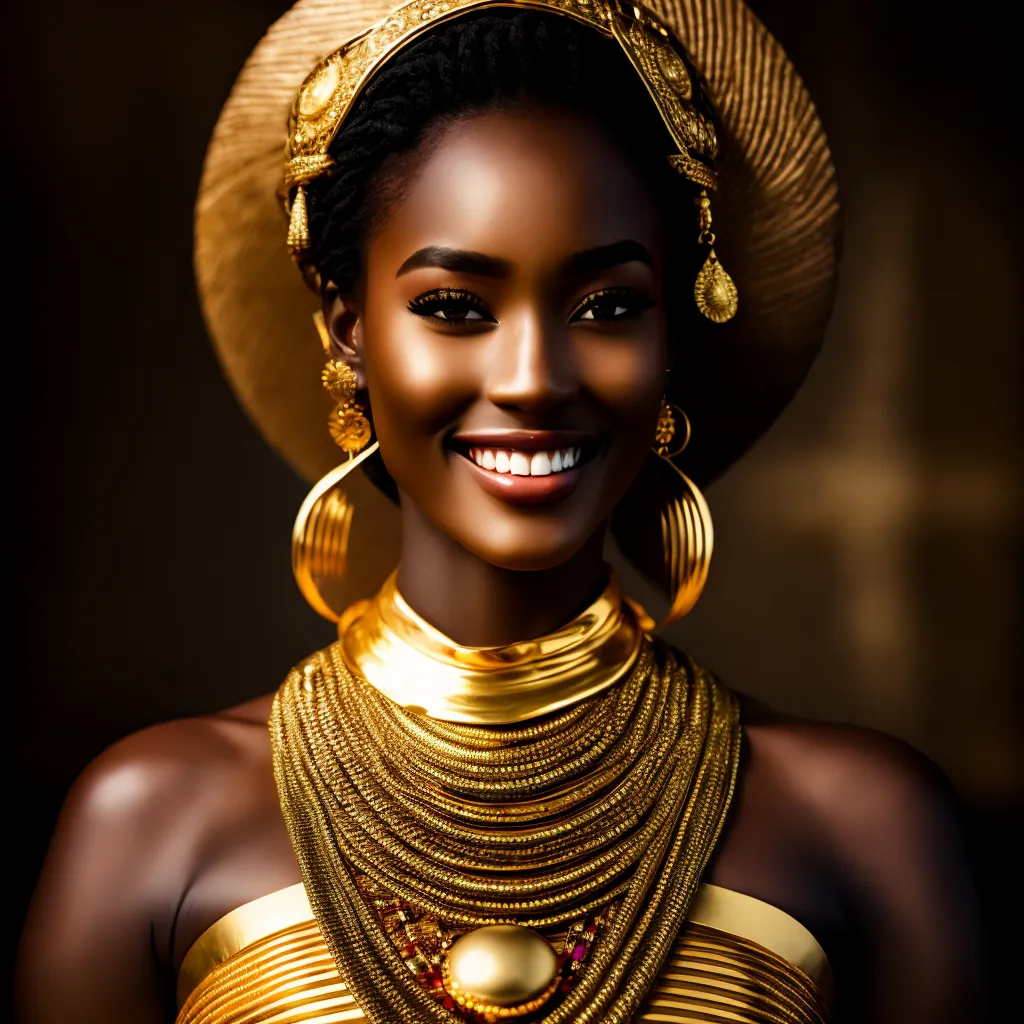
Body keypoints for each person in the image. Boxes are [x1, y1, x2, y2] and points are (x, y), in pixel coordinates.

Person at [15, 1, 984, 1022]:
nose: (532, 378)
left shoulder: (869, 828)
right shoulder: (150, 823)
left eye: (606, 306)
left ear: (672, 340)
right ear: (348, 333)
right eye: (454, 308)